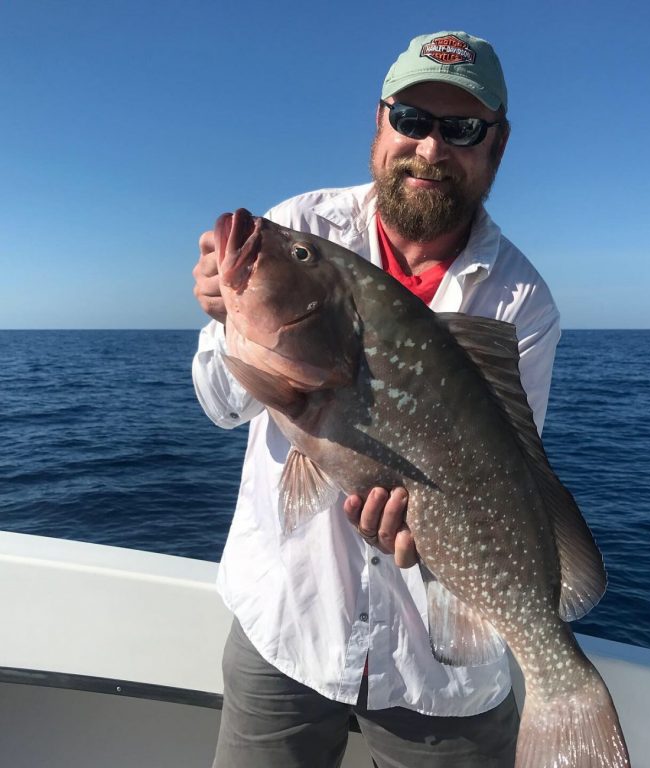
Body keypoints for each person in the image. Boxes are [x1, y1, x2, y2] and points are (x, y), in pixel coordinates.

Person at [192, 31, 560, 768]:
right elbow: (220, 404)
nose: (430, 148)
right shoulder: (303, 226)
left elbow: (504, 479)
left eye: (462, 129)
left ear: (497, 145)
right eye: (411, 119)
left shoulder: (522, 300)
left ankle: (560, 688)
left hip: (439, 674)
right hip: (286, 625)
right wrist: (233, 320)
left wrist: (423, 532)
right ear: (380, 122)